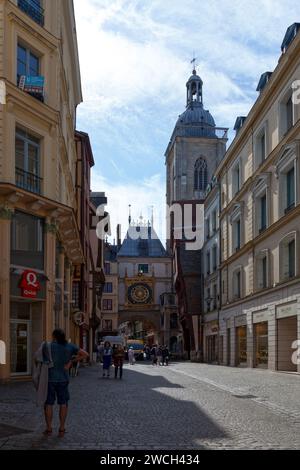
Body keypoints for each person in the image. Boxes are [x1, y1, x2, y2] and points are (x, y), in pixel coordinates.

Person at [41, 329, 88, 437]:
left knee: (48, 403)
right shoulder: (70, 346)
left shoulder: (47, 346)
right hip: (63, 379)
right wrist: (71, 361)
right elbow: (85, 354)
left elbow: (39, 359)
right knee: (63, 403)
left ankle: (49, 429)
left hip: (49, 379)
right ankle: (61, 428)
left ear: (54, 336)